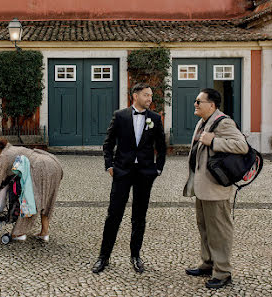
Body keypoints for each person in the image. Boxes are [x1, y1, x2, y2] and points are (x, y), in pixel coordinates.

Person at [92, 83, 167, 274]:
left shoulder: (155, 118)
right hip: (122, 172)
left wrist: (157, 169)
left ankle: (135, 256)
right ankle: (103, 257)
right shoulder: (120, 116)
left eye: (151, 95)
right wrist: (109, 165)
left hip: (145, 174)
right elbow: (108, 143)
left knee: (139, 217)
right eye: (146, 95)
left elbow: (162, 146)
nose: (150, 98)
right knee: (113, 215)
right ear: (135, 96)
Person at [183, 88, 248, 289]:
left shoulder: (224, 122)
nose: (195, 104)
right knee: (204, 228)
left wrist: (215, 141)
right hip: (203, 187)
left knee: (219, 230)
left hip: (216, 188)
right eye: (196, 101)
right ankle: (208, 263)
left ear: (211, 105)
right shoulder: (203, 121)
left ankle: (223, 272)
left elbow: (241, 146)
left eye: (199, 101)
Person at [0, 134, 63, 242]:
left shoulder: (2, 158)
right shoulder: (10, 149)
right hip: (53, 164)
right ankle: (44, 233)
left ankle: (19, 233)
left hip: (40, 168)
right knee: (47, 200)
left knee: (31, 200)